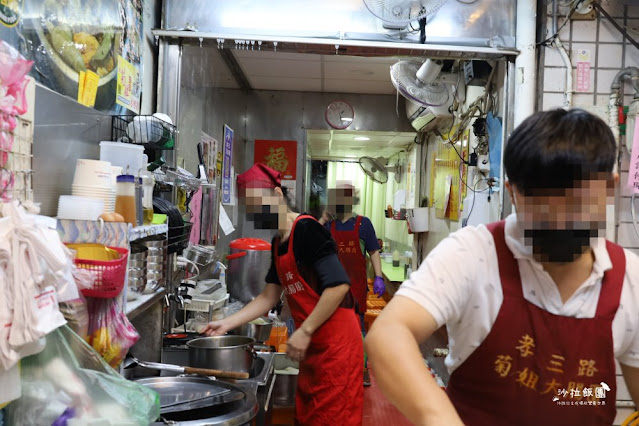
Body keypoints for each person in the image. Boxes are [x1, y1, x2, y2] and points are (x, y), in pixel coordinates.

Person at [365, 108, 639, 425]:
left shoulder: (629, 279)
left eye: (577, 204)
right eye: (543, 211)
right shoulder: (472, 255)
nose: (561, 222)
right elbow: (388, 335)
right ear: (513, 193)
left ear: (609, 187)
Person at [201, 163, 363, 425]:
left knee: (333, 418)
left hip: (336, 346)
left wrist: (306, 330)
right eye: (250, 207)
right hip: (312, 347)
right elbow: (268, 297)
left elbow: (338, 285)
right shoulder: (278, 242)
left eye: (257, 204)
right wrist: (226, 323)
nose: (255, 212)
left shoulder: (307, 230)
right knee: (308, 416)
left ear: (277, 195)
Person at [319, 182, 385, 387]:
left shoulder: (364, 224)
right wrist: (323, 218)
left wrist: (379, 276)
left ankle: (362, 367)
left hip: (355, 287)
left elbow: (373, 251)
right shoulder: (328, 226)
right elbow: (309, 239)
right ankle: (335, 368)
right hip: (330, 287)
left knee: (358, 330)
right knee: (332, 329)